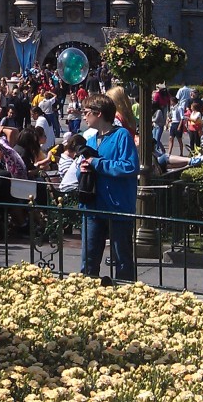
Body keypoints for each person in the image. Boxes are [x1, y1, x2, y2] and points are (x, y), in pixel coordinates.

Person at [77, 94, 139, 282]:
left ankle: (126, 296)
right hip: (93, 206)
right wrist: (83, 169)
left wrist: (98, 163)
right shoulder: (90, 140)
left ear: (99, 113)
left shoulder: (122, 136)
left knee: (122, 259)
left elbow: (129, 166)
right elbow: (86, 169)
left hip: (117, 207)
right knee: (89, 259)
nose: (84, 117)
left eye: (86, 112)